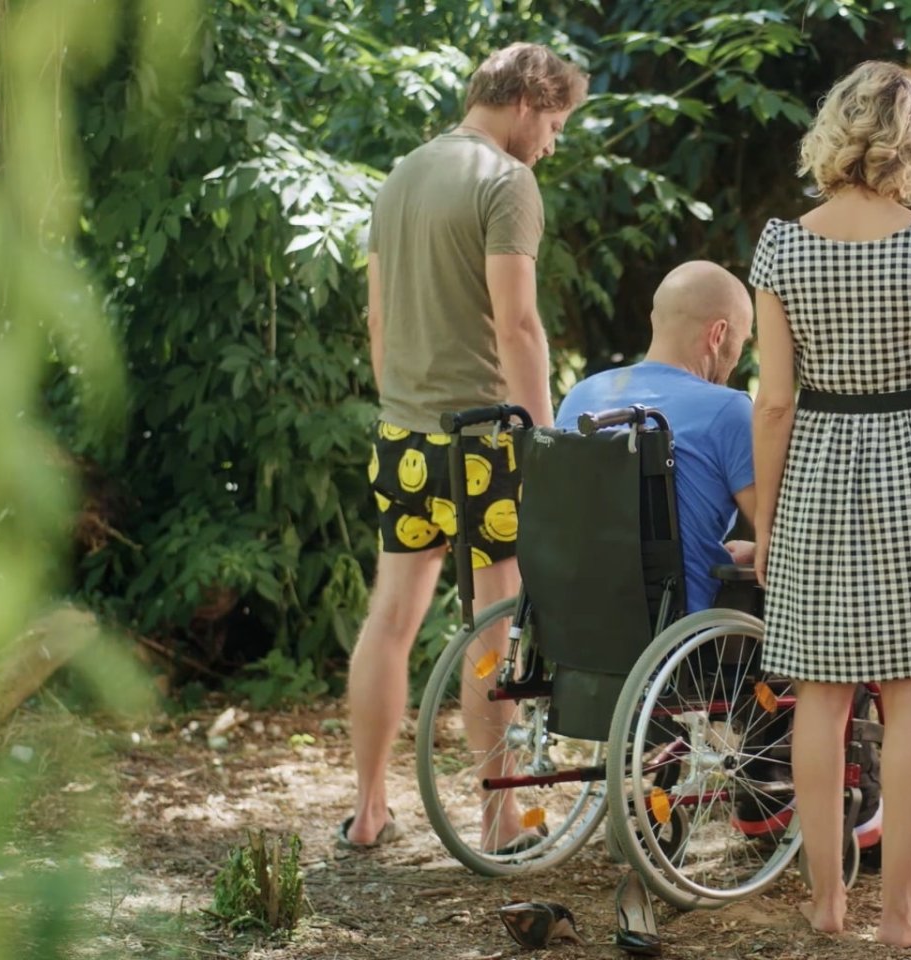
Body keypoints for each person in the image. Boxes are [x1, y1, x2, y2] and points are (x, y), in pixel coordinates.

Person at [748, 61, 911, 948]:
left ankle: (824, 903)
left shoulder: (781, 247)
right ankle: (899, 914)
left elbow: (772, 402)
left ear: (836, 129)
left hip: (817, 466)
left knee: (820, 693)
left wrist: (767, 522)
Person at [343, 42, 586, 850]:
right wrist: (544, 435)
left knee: (391, 619)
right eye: (553, 123)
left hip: (404, 433)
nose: (552, 142)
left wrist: (401, 403)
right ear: (524, 102)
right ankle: (496, 817)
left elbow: (378, 323)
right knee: (495, 622)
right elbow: (517, 324)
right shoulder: (507, 182)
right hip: (484, 439)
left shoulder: (401, 175)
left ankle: (370, 809)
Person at [553, 261, 758, 613]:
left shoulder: (581, 398)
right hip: (679, 633)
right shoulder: (729, 411)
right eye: (742, 340)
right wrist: (759, 549)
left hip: (576, 624)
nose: (738, 357)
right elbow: (788, 537)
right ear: (718, 334)